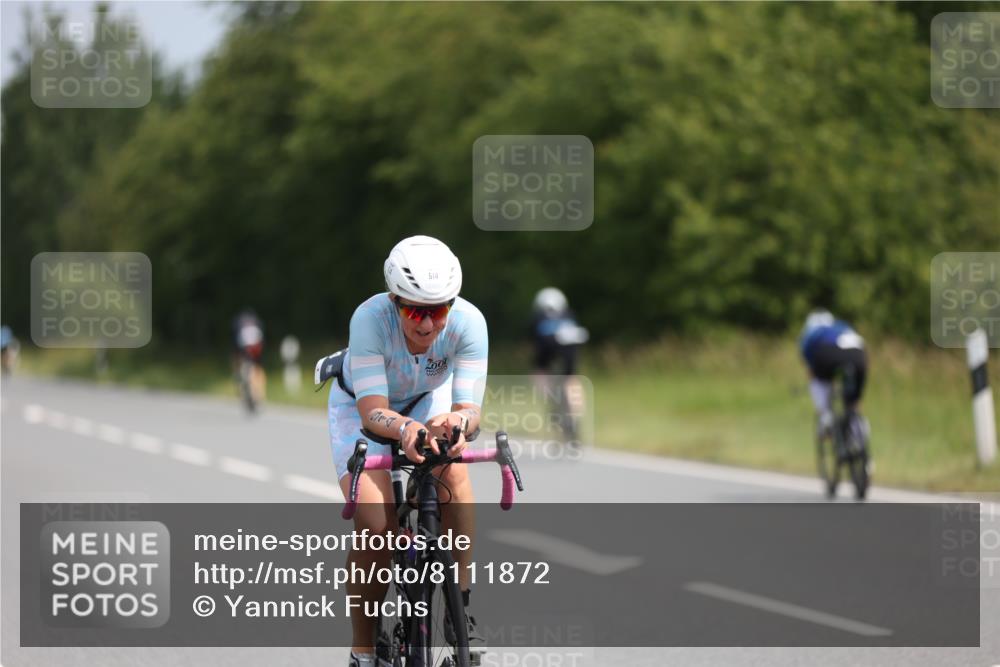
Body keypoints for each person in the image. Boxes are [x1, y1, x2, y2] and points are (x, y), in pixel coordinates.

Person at [328, 235, 488, 667]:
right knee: (376, 524)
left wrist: (458, 423)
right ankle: (363, 649)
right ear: (394, 300)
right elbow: (372, 412)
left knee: (453, 474)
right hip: (362, 408)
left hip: (424, 400)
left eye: (438, 310)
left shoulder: (470, 322)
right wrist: (405, 430)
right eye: (415, 310)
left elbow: (471, 412)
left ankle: (461, 608)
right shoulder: (369, 319)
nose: (427, 324)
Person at [799, 309, 869, 449]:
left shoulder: (810, 333)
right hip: (859, 354)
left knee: (818, 379)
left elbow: (811, 368)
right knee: (853, 401)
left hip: (829, 352)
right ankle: (859, 430)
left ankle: (826, 417)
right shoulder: (842, 325)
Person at [531, 288, 588, 443]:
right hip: (570, 349)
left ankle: (554, 405)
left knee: (541, 375)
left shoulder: (539, 317)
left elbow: (537, 345)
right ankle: (575, 416)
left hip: (548, 349)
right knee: (571, 380)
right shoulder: (569, 315)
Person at [232, 309, 266, 407]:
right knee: (258, 369)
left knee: (242, 366)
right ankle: (260, 394)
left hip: (244, 347)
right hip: (257, 346)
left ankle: (244, 389)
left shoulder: (238, 323)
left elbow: (235, 347)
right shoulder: (257, 322)